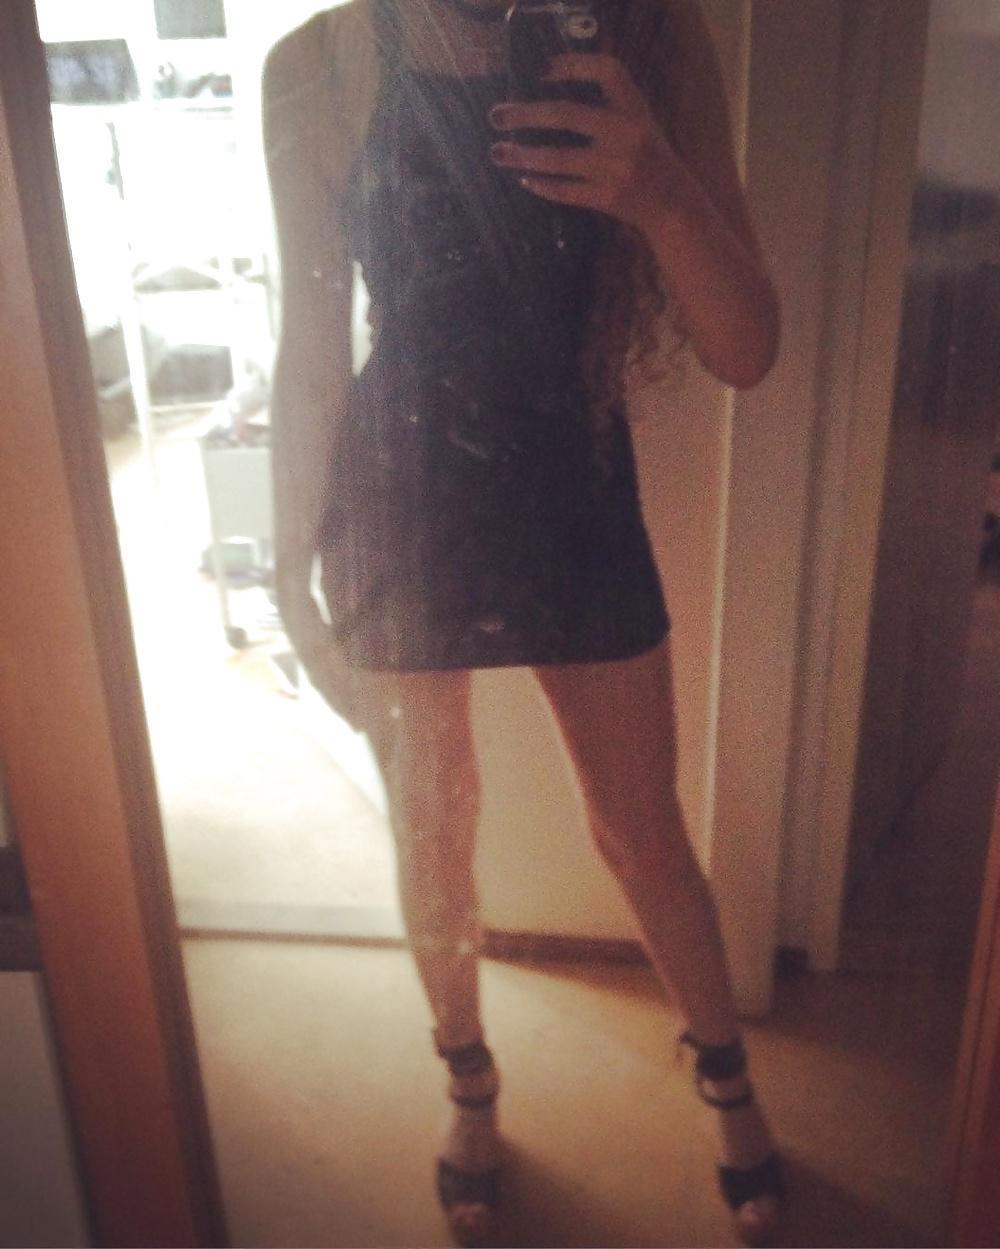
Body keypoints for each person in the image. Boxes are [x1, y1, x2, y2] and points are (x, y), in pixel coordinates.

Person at [263, 1, 782, 1245]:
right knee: (433, 824)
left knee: (640, 829)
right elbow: (310, 341)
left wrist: (661, 194)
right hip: (400, 495)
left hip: (569, 483)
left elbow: (747, 350)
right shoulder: (318, 62)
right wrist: (284, 575)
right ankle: (468, 1086)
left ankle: (726, 1081)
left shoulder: (649, 36)